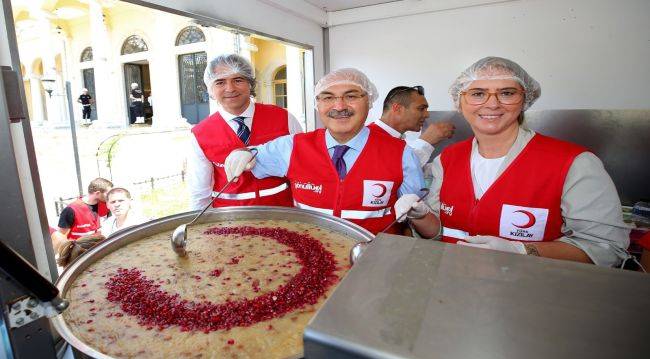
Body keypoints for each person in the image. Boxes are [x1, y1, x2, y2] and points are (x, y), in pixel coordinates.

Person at [407, 56, 630, 267]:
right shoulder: (447, 160)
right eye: (477, 93)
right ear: (460, 101)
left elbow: (606, 247)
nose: (492, 104)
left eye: (506, 93)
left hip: (534, 297)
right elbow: (439, 232)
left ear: (524, 99)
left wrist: (524, 251)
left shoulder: (573, 163)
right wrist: (421, 217)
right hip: (454, 289)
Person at [224, 68, 438, 235]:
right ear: (317, 104)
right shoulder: (292, 147)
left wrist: (419, 215)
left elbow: (428, 230)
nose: (339, 106)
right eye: (327, 97)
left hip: (375, 265)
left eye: (351, 96)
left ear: (369, 101)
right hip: (311, 264)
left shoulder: (400, 154)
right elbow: (254, 154)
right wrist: (241, 153)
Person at [188, 54, 303, 210]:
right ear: (211, 89)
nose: (230, 88)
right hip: (229, 220)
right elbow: (199, 192)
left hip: (281, 215)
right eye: (220, 82)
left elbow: (303, 169)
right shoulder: (200, 133)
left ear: (250, 83)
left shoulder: (284, 118)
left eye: (238, 80)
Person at [368, 86, 455, 166]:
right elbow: (393, 171)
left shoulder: (397, 140)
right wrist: (426, 141)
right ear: (397, 109)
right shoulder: (368, 138)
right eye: (421, 109)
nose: (427, 114)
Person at [51, 177, 113, 252]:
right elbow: (61, 237)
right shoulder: (71, 210)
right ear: (97, 193)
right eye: (108, 193)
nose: (110, 196)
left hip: (98, 250)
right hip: (79, 255)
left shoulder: (106, 205)